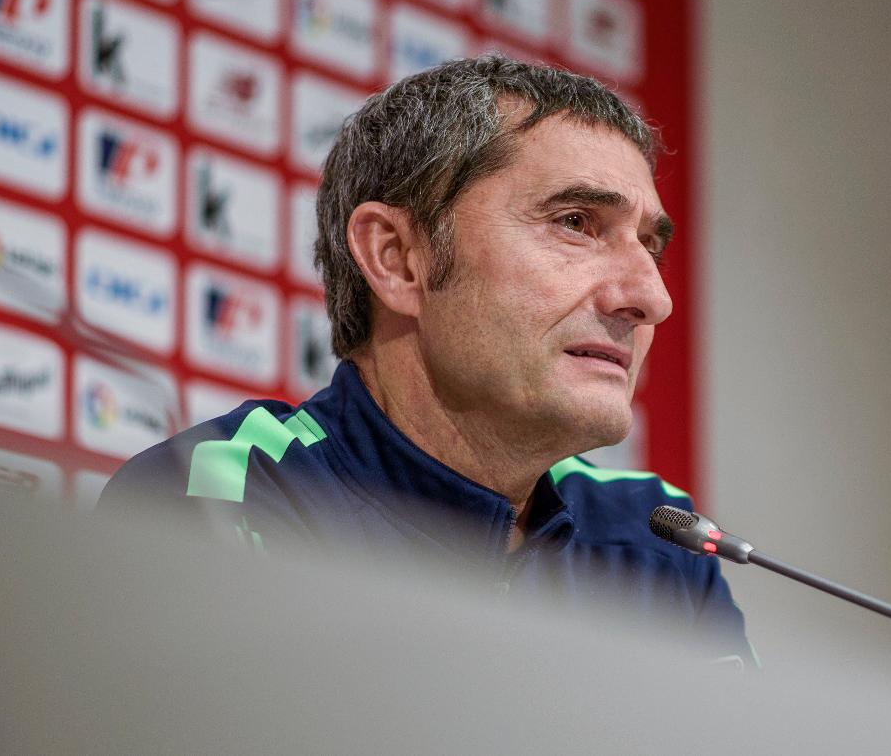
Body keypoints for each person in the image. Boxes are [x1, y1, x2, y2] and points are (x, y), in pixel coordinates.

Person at [100, 56, 751, 661]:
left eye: (649, 247)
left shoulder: (660, 540)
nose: (652, 298)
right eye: (576, 222)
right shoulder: (227, 493)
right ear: (397, 259)